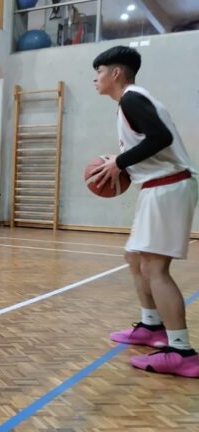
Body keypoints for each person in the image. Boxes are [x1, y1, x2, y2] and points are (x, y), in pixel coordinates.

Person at [92, 46, 199, 377]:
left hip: (168, 186)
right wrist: (122, 160)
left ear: (116, 74)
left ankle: (182, 351)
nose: (95, 79)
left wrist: (119, 162)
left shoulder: (132, 99)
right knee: (135, 258)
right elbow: (151, 140)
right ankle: (152, 326)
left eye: (98, 72)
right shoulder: (132, 102)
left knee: (155, 268)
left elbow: (161, 137)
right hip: (158, 186)